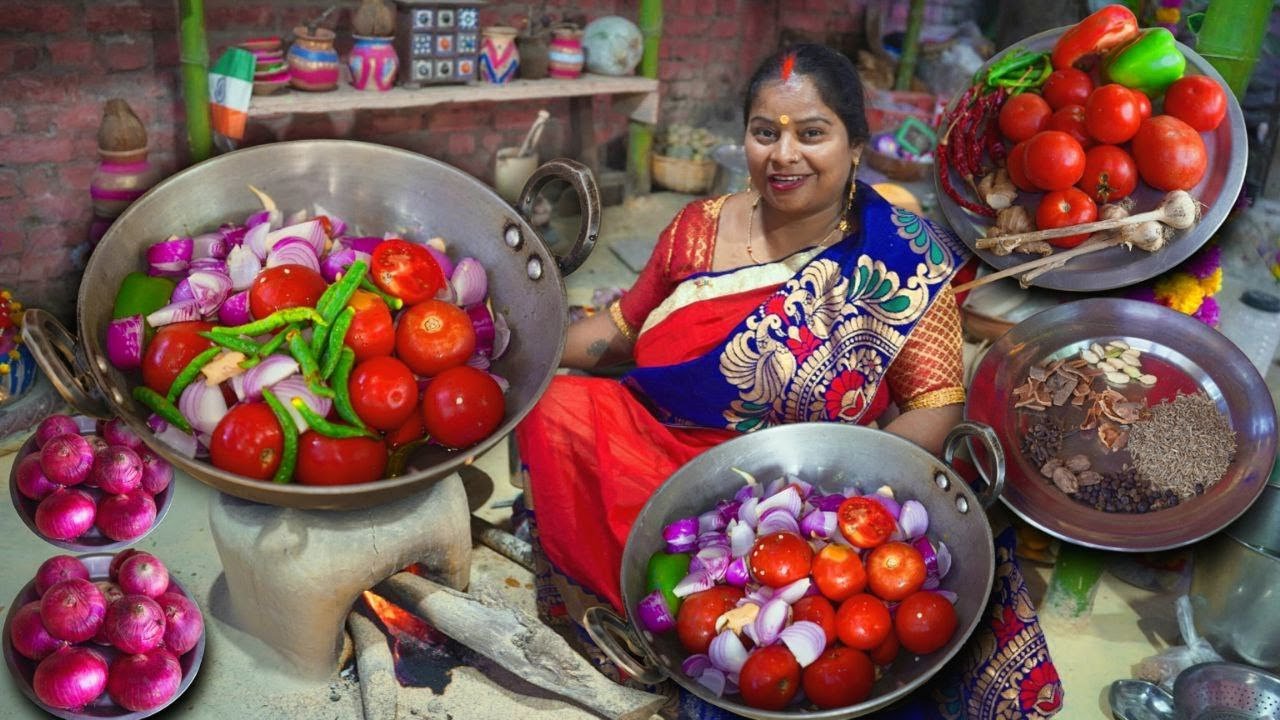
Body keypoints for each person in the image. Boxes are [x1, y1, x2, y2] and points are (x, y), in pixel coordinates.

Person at [515, 43, 970, 612]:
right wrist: (522, 342)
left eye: (810, 134)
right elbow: (622, 328)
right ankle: (617, 598)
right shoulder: (696, 228)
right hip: (664, 452)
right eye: (764, 133)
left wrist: (837, 501)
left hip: (804, 487)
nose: (783, 156)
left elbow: (936, 406)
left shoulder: (904, 255)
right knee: (554, 403)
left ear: (855, 146)